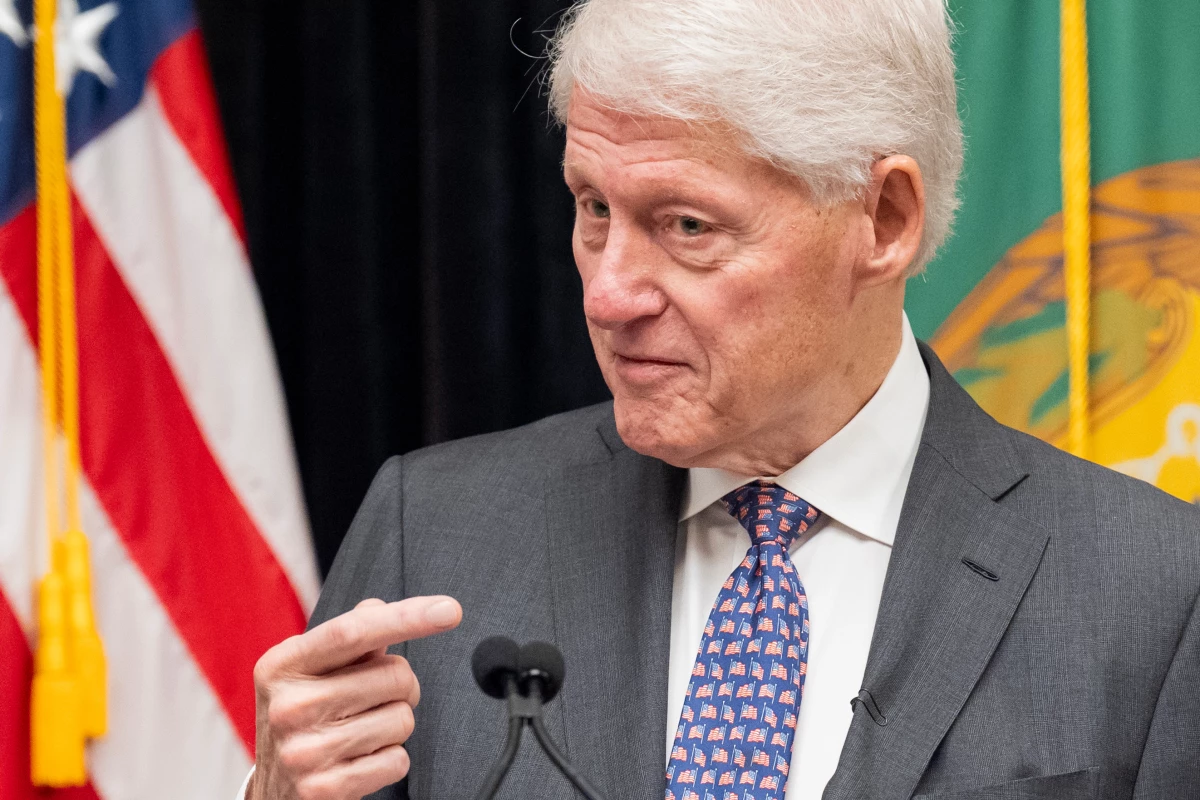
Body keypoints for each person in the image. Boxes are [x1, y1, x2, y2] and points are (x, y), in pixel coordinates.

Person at [242, 1, 1200, 798]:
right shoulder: (434, 533)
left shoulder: (1154, 593)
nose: (609, 294)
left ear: (885, 220)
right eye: (594, 209)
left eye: (687, 226)